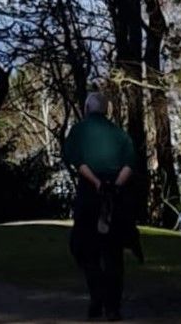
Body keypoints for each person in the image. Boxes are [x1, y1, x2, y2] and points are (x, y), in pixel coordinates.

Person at [62, 93, 142, 321]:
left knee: (84, 247)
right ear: (106, 110)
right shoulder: (120, 134)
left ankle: (98, 295)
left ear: (87, 108)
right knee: (113, 252)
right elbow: (129, 164)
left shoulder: (79, 131)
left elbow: (78, 162)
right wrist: (115, 186)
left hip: (90, 194)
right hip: (116, 196)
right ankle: (112, 307)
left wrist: (97, 183)